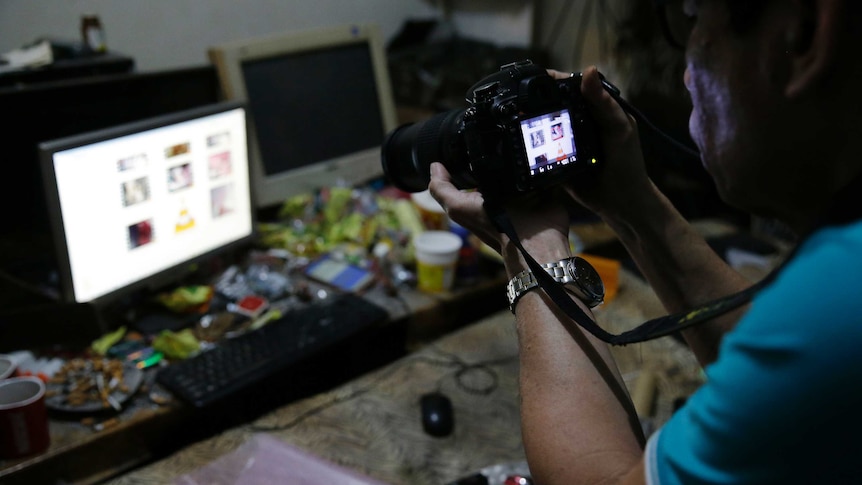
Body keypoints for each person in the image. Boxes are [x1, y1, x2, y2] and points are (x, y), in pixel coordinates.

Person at [428, 0, 862, 483]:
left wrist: (535, 248)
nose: (686, 76)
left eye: (695, 19)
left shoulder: (844, 304)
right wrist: (631, 202)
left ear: (805, 34)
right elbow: (785, 384)